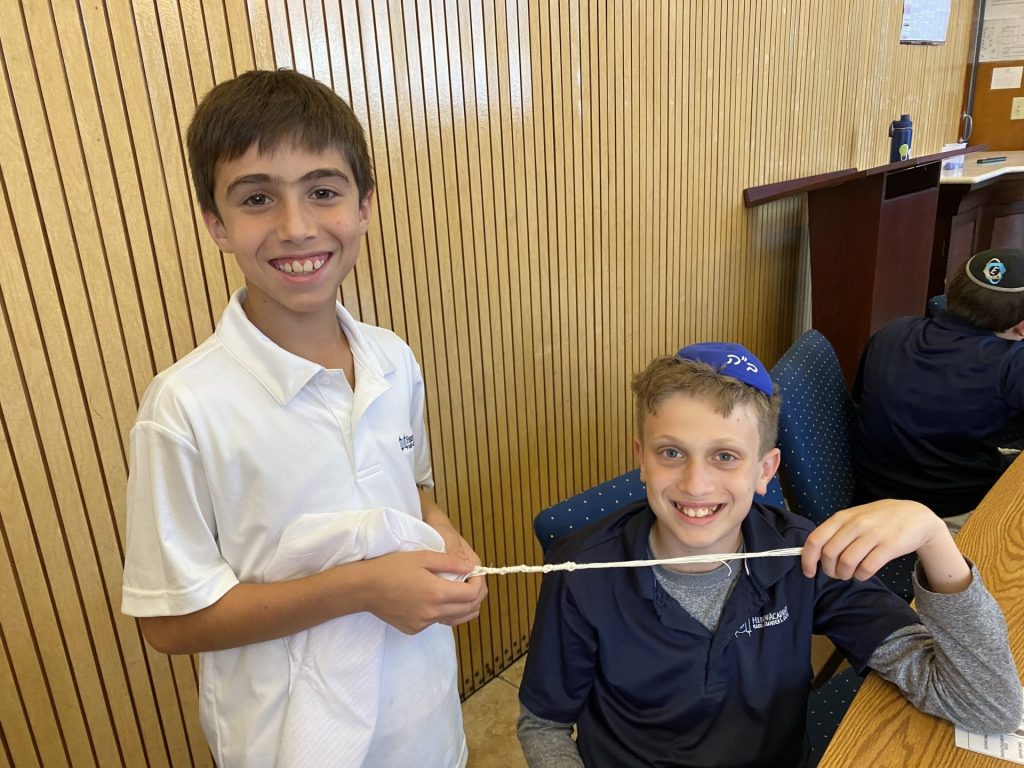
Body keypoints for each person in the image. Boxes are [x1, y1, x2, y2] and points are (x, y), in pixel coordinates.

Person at [120, 69, 486, 768]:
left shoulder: (392, 358)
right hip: (285, 743)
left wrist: (442, 536)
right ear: (216, 223)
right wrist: (365, 588)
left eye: (323, 191)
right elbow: (169, 623)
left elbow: (413, 488)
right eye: (258, 198)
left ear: (365, 204)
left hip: (423, 723)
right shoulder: (184, 408)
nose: (296, 227)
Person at [517, 343, 1021, 768]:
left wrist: (934, 537)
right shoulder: (579, 571)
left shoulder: (804, 554)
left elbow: (988, 706)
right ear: (641, 460)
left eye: (725, 456)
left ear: (765, 470)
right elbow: (544, 724)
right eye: (671, 452)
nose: (696, 484)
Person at [852, 248, 1024, 530]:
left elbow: (860, 401)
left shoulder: (892, 331)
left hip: (872, 498)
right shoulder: (1013, 364)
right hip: (951, 514)